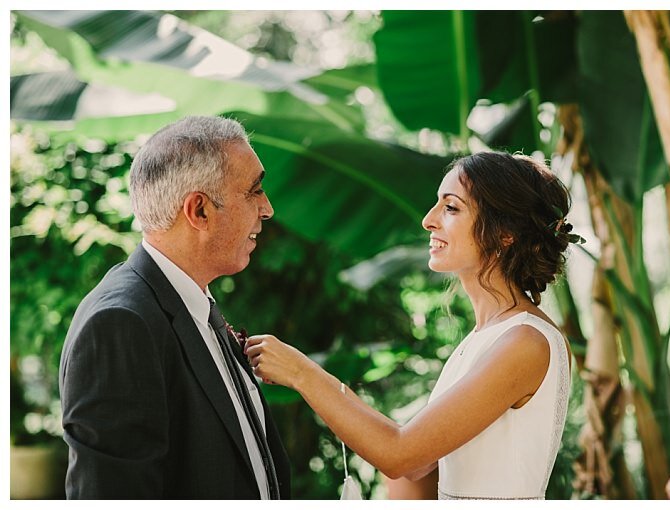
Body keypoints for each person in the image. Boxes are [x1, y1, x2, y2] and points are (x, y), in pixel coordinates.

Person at [245, 152, 576, 500]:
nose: (428, 221)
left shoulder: (525, 342)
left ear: (505, 233)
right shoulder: (486, 338)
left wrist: (301, 373)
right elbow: (419, 466)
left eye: (451, 208)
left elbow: (401, 455)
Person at [59, 116, 289, 498]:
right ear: (199, 210)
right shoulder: (120, 324)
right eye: (254, 191)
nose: (267, 209)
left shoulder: (189, 302)